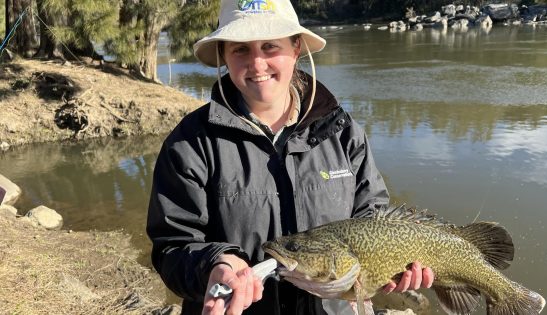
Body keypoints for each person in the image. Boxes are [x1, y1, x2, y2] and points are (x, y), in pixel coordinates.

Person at [146, 0, 434, 314]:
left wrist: (393, 267)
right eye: (240, 50)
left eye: (270, 47)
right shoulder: (190, 143)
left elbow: (373, 220)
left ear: (296, 48)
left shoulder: (344, 133)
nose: (257, 64)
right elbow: (171, 247)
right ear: (224, 56)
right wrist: (215, 264)